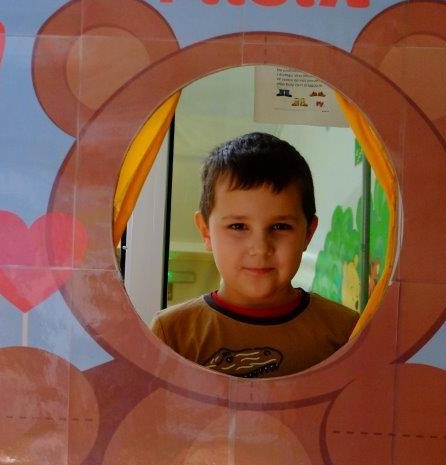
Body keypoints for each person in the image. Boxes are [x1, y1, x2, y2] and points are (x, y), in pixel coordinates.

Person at [151, 132, 358, 378]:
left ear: (308, 233)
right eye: (238, 226)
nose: (260, 248)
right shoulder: (171, 333)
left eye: (280, 226)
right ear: (206, 232)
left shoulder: (348, 331)